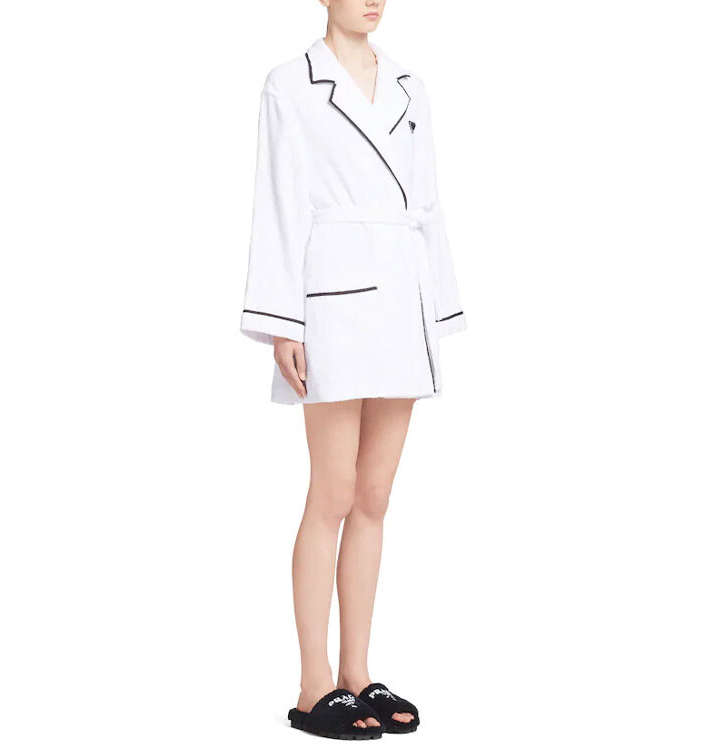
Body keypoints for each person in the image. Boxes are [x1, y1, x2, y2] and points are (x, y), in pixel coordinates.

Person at [240, 0, 465, 740]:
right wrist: (283, 320)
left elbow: (428, 203)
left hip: (403, 299)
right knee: (332, 493)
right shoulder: (289, 82)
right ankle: (313, 687)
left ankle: (356, 674)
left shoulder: (410, 85)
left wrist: (439, 311)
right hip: (332, 301)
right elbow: (277, 204)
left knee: (374, 496)